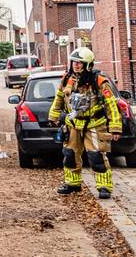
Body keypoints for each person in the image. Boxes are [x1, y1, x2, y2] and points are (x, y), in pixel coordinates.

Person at [50, 47, 121, 199]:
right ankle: (72, 183)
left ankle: (104, 187)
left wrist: (115, 128)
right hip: (73, 124)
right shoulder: (66, 78)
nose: (76, 65)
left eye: (80, 63)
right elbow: (59, 98)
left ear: (88, 65)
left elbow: (111, 105)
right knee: (69, 154)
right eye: (74, 62)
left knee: (96, 156)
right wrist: (54, 116)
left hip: (94, 124)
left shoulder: (99, 81)